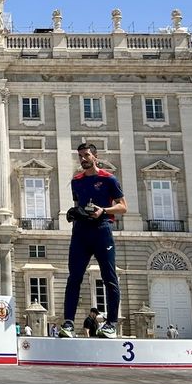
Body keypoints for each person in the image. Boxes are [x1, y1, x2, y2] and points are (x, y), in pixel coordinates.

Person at [59, 143, 127, 339]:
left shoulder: (108, 179)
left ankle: (111, 324)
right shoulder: (76, 181)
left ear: (95, 157)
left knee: (109, 278)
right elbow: (78, 204)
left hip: (101, 230)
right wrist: (75, 213)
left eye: (87, 155)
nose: (83, 159)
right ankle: (69, 323)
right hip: (80, 232)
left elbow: (123, 207)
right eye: (80, 156)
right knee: (74, 278)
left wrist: (104, 210)